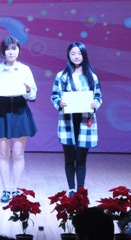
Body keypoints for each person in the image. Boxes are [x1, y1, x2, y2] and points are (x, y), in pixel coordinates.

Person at [0, 36, 37, 204]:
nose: (11, 52)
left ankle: (15, 189)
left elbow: (33, 94)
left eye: (14, 48)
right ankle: (6, 189)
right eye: (8, 49)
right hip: (3, 111)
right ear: (3, 51)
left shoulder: (25, 70)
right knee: (3, 154)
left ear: (19, 50)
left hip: (20, 110)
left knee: (19, 154)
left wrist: (28, 89)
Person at [51, 42, 102, 196]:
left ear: (84, 55)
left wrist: (95, 104)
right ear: (68, 55)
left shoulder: (91, 76)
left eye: (79, 53)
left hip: (85, 121)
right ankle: (71, 189)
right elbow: (54, 96)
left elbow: (98, 96)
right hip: (67, 121)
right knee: (69, 158)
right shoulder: (62, 76)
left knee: (81, 158)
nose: (76, 56)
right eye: (73, 53)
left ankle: (80, 189)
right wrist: (60, 103)